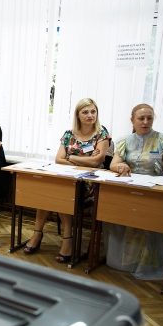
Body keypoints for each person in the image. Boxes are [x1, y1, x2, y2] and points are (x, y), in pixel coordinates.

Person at [104, 103, 163, 280]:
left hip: (154, 192)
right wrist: (120, 165)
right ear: (132, 120)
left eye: (149, 118)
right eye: (141, 118)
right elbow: (113, 164)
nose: (145, 122)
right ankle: (125, 261)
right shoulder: (124, 141)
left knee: (150, 224)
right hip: (129, 190)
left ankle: (146, 264)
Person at [23, 98, 110, 262]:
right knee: (52, 190)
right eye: (85, 112)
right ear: (78, 115)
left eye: (93, 111)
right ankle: (38, 233)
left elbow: (96, 162)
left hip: (91, 181)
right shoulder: (69, 134)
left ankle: (66, 239)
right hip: (68, 177)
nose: (90, 115)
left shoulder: (101, 134)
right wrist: (82, 160)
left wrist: (71, 156)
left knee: (62, 191)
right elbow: (58, 159)